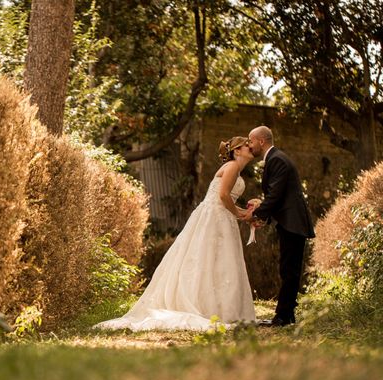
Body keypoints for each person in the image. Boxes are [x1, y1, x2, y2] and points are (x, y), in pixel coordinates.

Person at [94, 136, 256, 332]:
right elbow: (222, 196)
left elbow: (225, 197)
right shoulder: (231, 167)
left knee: (218, 261)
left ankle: (221, 307)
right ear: (236, 151)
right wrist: (241, 214)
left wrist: (244, 213)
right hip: (215, 217)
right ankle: (206, 307)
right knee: (207, 259)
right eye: (246, 144)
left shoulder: (236, 170)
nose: (250, 146)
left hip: (220, 217)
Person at [240, 126, 315, 327]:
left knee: (289, 270)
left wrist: (255, 214)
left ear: (261, 141)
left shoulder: (277, 160)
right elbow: (277, 196)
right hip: (289, 221)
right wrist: (263, 216)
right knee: (288, 269)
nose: (249, 144)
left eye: (251, 140)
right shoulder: (275, 159)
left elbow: (275, 195)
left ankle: (283, 317)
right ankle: (286, 315)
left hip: (293, 222)